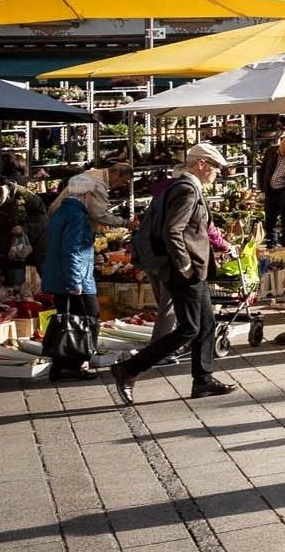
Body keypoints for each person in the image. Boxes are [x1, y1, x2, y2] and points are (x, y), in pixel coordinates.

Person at [111, 144, 238, 403]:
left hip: (191, 270)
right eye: (215, 167)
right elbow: (173, 230)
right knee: (190, 328)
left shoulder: (181, 187)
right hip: (184, 271)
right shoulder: (186, 191)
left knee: (206, 323)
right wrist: (185, 266)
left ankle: (203, 380)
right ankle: (129, 369)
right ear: (201, 164)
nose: (217, 173)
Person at [41, 173, 107, 381]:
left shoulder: (61, 211)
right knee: (87, 318)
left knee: (66, 321)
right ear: (87, 195)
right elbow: (73, 251)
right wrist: (75, 282)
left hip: (59, 276)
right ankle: (73, 364)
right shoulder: (77, 216)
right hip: (75, 278)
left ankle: (60, 365)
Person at [258, 130, 285, 247]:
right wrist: (262, 187)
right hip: (271, 191)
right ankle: (271, 242)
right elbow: (262, 170)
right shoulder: (271, 152)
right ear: (280, 148)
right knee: (270, 219)